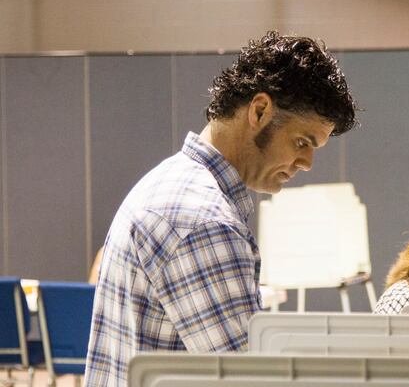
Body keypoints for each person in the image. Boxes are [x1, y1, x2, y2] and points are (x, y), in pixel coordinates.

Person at [85, 32, 357, 386]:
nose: (306, 162)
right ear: (259, 111)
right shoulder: (203, 221)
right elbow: (249, 380)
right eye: (302, 142)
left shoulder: (169, 184)